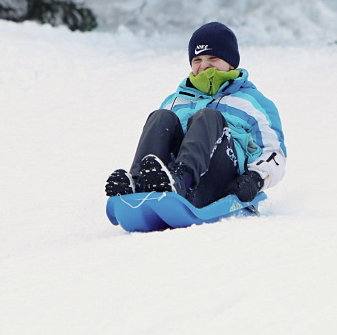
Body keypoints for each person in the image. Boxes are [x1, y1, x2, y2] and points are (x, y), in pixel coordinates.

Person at [105, 21, 286, 208]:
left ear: (231, 62)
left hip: (223, 180)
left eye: (213, 58)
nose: (204, 66)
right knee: (161, 117)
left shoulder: (253, 103)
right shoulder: (175, 101)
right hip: (169, 178)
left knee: (208, 116)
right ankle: (139, 183)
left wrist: (255, 178)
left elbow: (274, 152)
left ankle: (182, 181)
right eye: (197, 60)